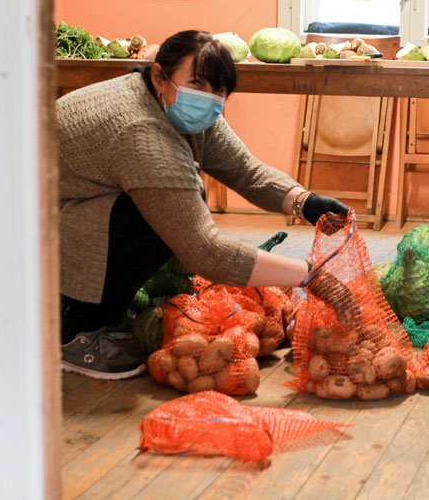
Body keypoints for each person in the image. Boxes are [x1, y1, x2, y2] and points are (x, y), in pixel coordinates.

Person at [57, 30, 349, 380]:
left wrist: (304, 201)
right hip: (27, 222)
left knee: (170, 207)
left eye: (218, 90)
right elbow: (203, 250)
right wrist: (309, 274)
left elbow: (242, 169)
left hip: (75, 198)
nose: (207, 97)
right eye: (196, 82)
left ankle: (98, 311)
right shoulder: (140, 131)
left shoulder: (179, 106)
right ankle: (76, 331)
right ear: (158, 77)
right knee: (155, 220)